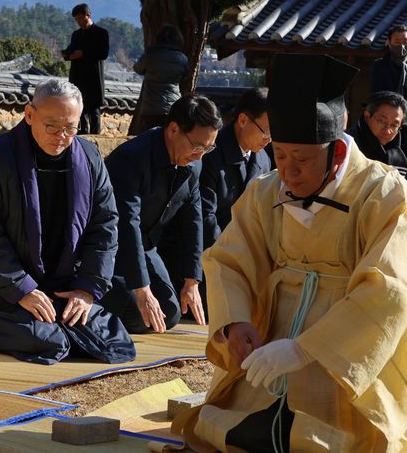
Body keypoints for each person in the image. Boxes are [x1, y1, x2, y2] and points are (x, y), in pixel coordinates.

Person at [173, 53, 407, 452]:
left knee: (332, 439)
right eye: (279, 155)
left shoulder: (384, 193)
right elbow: (228, 258)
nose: (288, 171)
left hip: (345, 351)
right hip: (272, 336)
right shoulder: (265, 192)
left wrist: (304, 349)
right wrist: (236, 322)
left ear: (335, 153)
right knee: (230, 429)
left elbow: (389, 289)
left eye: (302, 159)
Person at [0, 79, 135, 365]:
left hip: (63, 284)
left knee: (112, 340)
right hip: (4, 288)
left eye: (70, 128)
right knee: (49, 340)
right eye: (52, 126)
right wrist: (21, 289)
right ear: (29, 115)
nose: (61, 136)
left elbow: (105, 225)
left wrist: (86, 289)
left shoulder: (89, 157)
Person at [101, 95, 221, 334]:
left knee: (170, 312)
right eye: (198, 146)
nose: (200, 155)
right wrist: (142, 289)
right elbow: (127, 223)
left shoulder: (194, 164)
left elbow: (193, 222)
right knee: (136, 309)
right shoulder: (132, 157)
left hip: (147, 246)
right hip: (110, 245)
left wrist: (191, 280)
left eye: (208, 148)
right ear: (173, 129)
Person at [200, 87, 272, 250]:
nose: (269, 140)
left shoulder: (263, 159)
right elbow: (205, 218)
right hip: (213, 252)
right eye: (266, 131)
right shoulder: (210, 154)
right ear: (243, 120)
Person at [130, 24, 188, 135]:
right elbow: (186, 75)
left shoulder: (150, 55)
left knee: (150, 138)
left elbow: (137, 68)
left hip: (150, 107)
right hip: (172, 105)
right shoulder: (182, 58)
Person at [61, 3, 109, 135]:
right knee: (79, 108)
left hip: (93, 77)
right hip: (78, 76)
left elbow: (103, 53)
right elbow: (71, 50)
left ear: (88, 15)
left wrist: (83, 53)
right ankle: (81, 135)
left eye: (80, 18)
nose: (79, 22)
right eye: (76, 20)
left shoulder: (101, 33)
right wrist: (66, 54)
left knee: (94, 109)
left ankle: (95, 136)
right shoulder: (76, 34)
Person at [347, 90, 407, 175]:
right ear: (367, 117)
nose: (387, 131)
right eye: (382, 121)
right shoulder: (347, 146)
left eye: (394, 125)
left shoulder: (400, 157)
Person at [371, 24, 407, 98]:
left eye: (405, 42)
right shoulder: (379, 66)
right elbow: (377, 93)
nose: (402, 46)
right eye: (397, 42)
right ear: (389, 44)